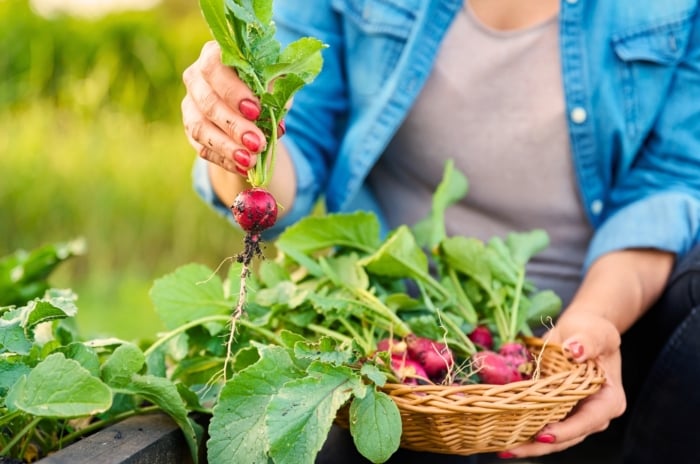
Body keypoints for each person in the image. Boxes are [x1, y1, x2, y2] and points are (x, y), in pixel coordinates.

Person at [181, 1, 700, 462]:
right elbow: (302, 137)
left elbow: (666, 185)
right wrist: (238, 136)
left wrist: (590, 322)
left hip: (603, 321)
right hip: (400, 325)